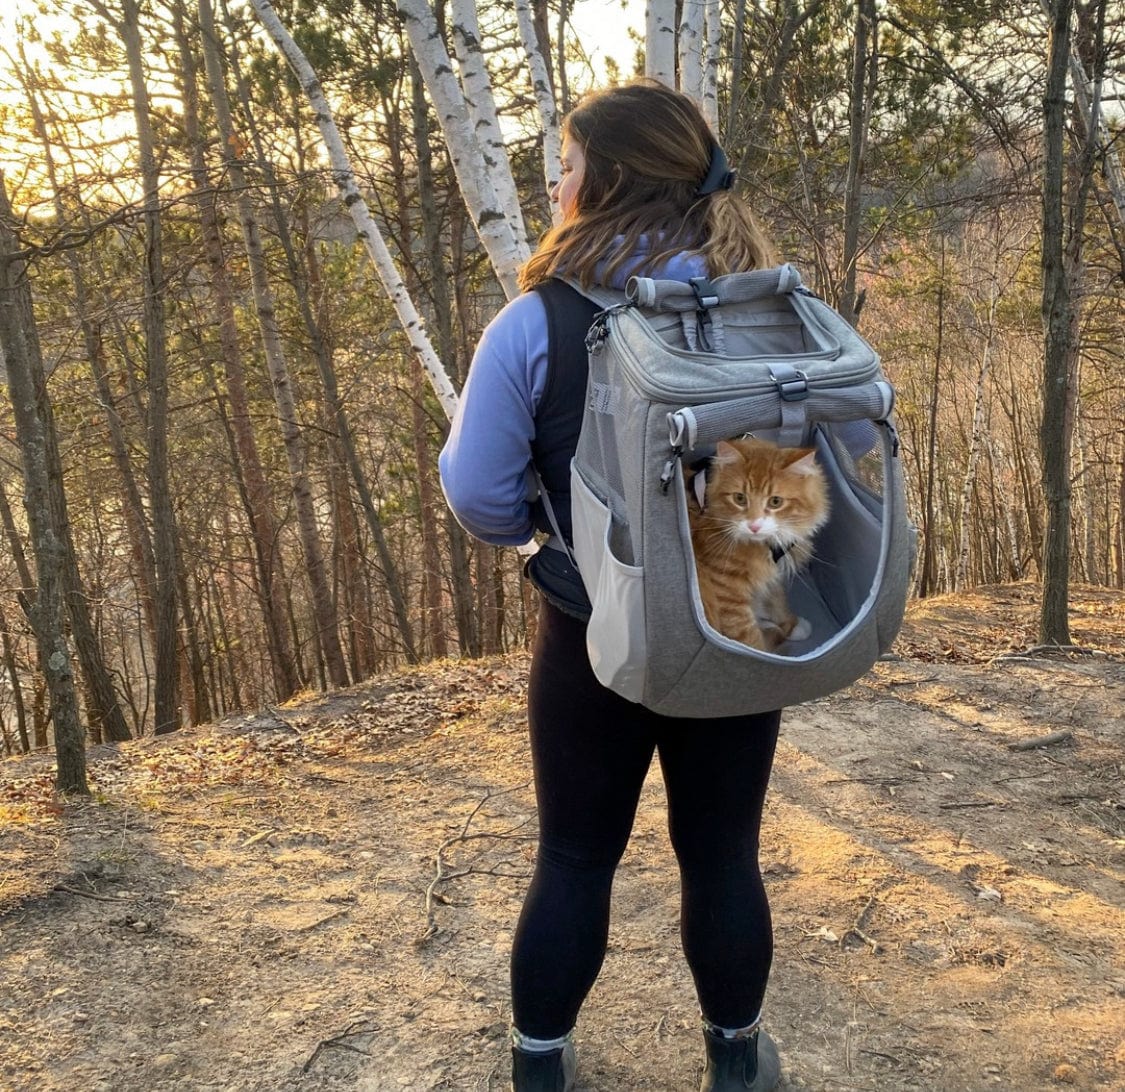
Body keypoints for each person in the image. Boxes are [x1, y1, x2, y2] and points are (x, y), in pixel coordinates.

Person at [439, 79, 783, 1092]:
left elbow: (478, 495)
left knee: (577, 859)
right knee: (723, 857)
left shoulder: (536, 322)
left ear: (609, 180)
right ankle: (736, 1062)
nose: (556, 180)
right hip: (738, 631)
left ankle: (541, 1070)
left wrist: (547, 540)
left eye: (569, 162)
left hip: (595, 630)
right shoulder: (766, 306)